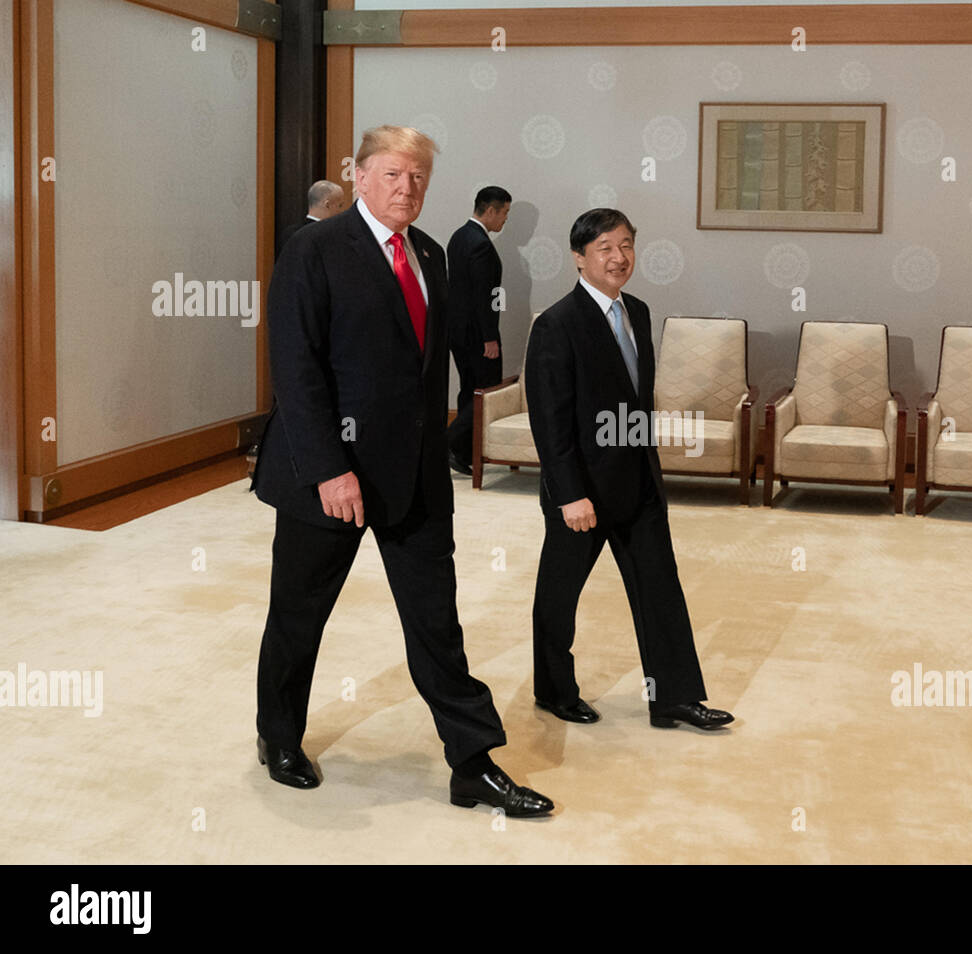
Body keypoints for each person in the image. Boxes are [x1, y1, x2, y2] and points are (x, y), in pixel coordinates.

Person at [251, 125, 552, 817]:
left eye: (417, 175)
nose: (406, 186)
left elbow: (424, 375)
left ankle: (472, 761)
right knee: (299, 619)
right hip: (327, 478)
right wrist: (330, 469)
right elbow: (296, 372)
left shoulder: (429, 254)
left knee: (436, 621)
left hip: (412, 480)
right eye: (391, 173)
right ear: (357, 175)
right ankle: (278, 737)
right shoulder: (315, 249)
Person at [524, 208, 734, 731]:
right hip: (582, 493)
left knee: (661, 589)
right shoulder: (556, 325)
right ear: (578, 258)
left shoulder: (637, 311)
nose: (619, 258)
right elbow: (550, 422)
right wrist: (570, 493)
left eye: (626, 246)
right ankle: (554, 690)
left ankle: (674, 698)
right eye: (604, 249)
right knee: (559, 594)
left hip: (638, 483)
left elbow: (636, 403)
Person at [445, 186, 511, 474]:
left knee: (469, 390)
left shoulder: (459, 237)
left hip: (457, 331)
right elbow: (483, 295)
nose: (505, 220)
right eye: (505, 213)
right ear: (491, 210)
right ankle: (448, 444)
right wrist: (489, 337)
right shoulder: (481, 244)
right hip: (476, 334)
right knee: (485, 392)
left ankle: (462, 452)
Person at [275, 179, 345, 258]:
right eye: (340, 206)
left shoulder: (289, 233)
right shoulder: (329, 236)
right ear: (327, 205)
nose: (342, 211)